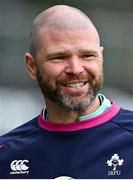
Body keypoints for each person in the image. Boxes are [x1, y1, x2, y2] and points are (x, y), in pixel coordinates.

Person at [0, 5, 133, 179]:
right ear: (32, 66)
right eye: (59, 57)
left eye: (87, 55)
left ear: (101, 58)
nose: (76, 69)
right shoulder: (6, 155)